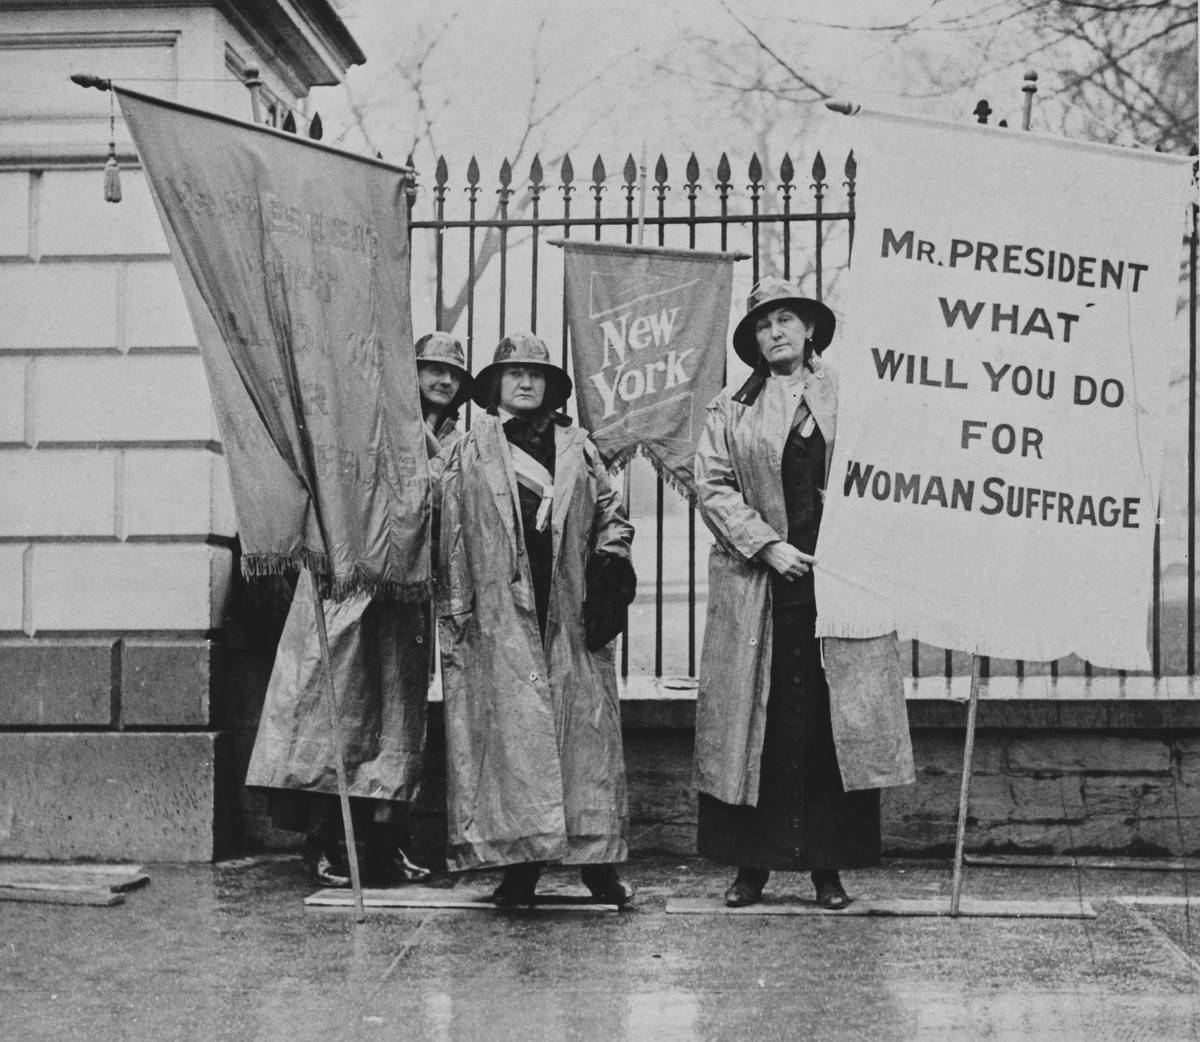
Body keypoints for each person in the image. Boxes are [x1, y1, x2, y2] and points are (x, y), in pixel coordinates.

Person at [693, 276, 915, 909]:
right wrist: (766, 544)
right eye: (764, 325)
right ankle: (750, 869)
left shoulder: (851, 397)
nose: (776, 333)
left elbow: (883, 473)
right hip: (761, 590)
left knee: (827, 723)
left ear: (811, 329)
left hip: (837, 587)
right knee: (756, 722)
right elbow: (711, 485)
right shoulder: (730, 409)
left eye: (787, 320)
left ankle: (828, 868)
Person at [245, 332, 473, 888]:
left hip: (408, 597)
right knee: (336, 715)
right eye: (430, 369)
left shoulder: (461, 444)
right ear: (408, 375)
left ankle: (387, 845)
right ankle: (326, 841)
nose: (442, 380)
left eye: (452, 373)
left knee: (397, 724)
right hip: (350, 588)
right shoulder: (367, 424)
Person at [436, 332, 637, 907]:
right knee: (512, 743)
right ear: (495, 384)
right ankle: (518, 870)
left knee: (585, 740)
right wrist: (457, 609)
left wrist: (611, 567)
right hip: (500, 614)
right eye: (513, 373)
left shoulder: (580, 446)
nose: (525, 382)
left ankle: (598, 865)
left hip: (571, 608)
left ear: (551, 385)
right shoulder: (468, 448)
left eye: (536, 373)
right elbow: (445, 527)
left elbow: (611, 514)